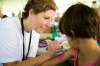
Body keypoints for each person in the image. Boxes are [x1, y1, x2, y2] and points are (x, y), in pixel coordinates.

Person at [0, 0, 62, 66]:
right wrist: (47, 55)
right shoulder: (8, 26)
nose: (49, 25)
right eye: (46, 18)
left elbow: (30, 62)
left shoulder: (35, 32)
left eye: (51, 20)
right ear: (31, 12)